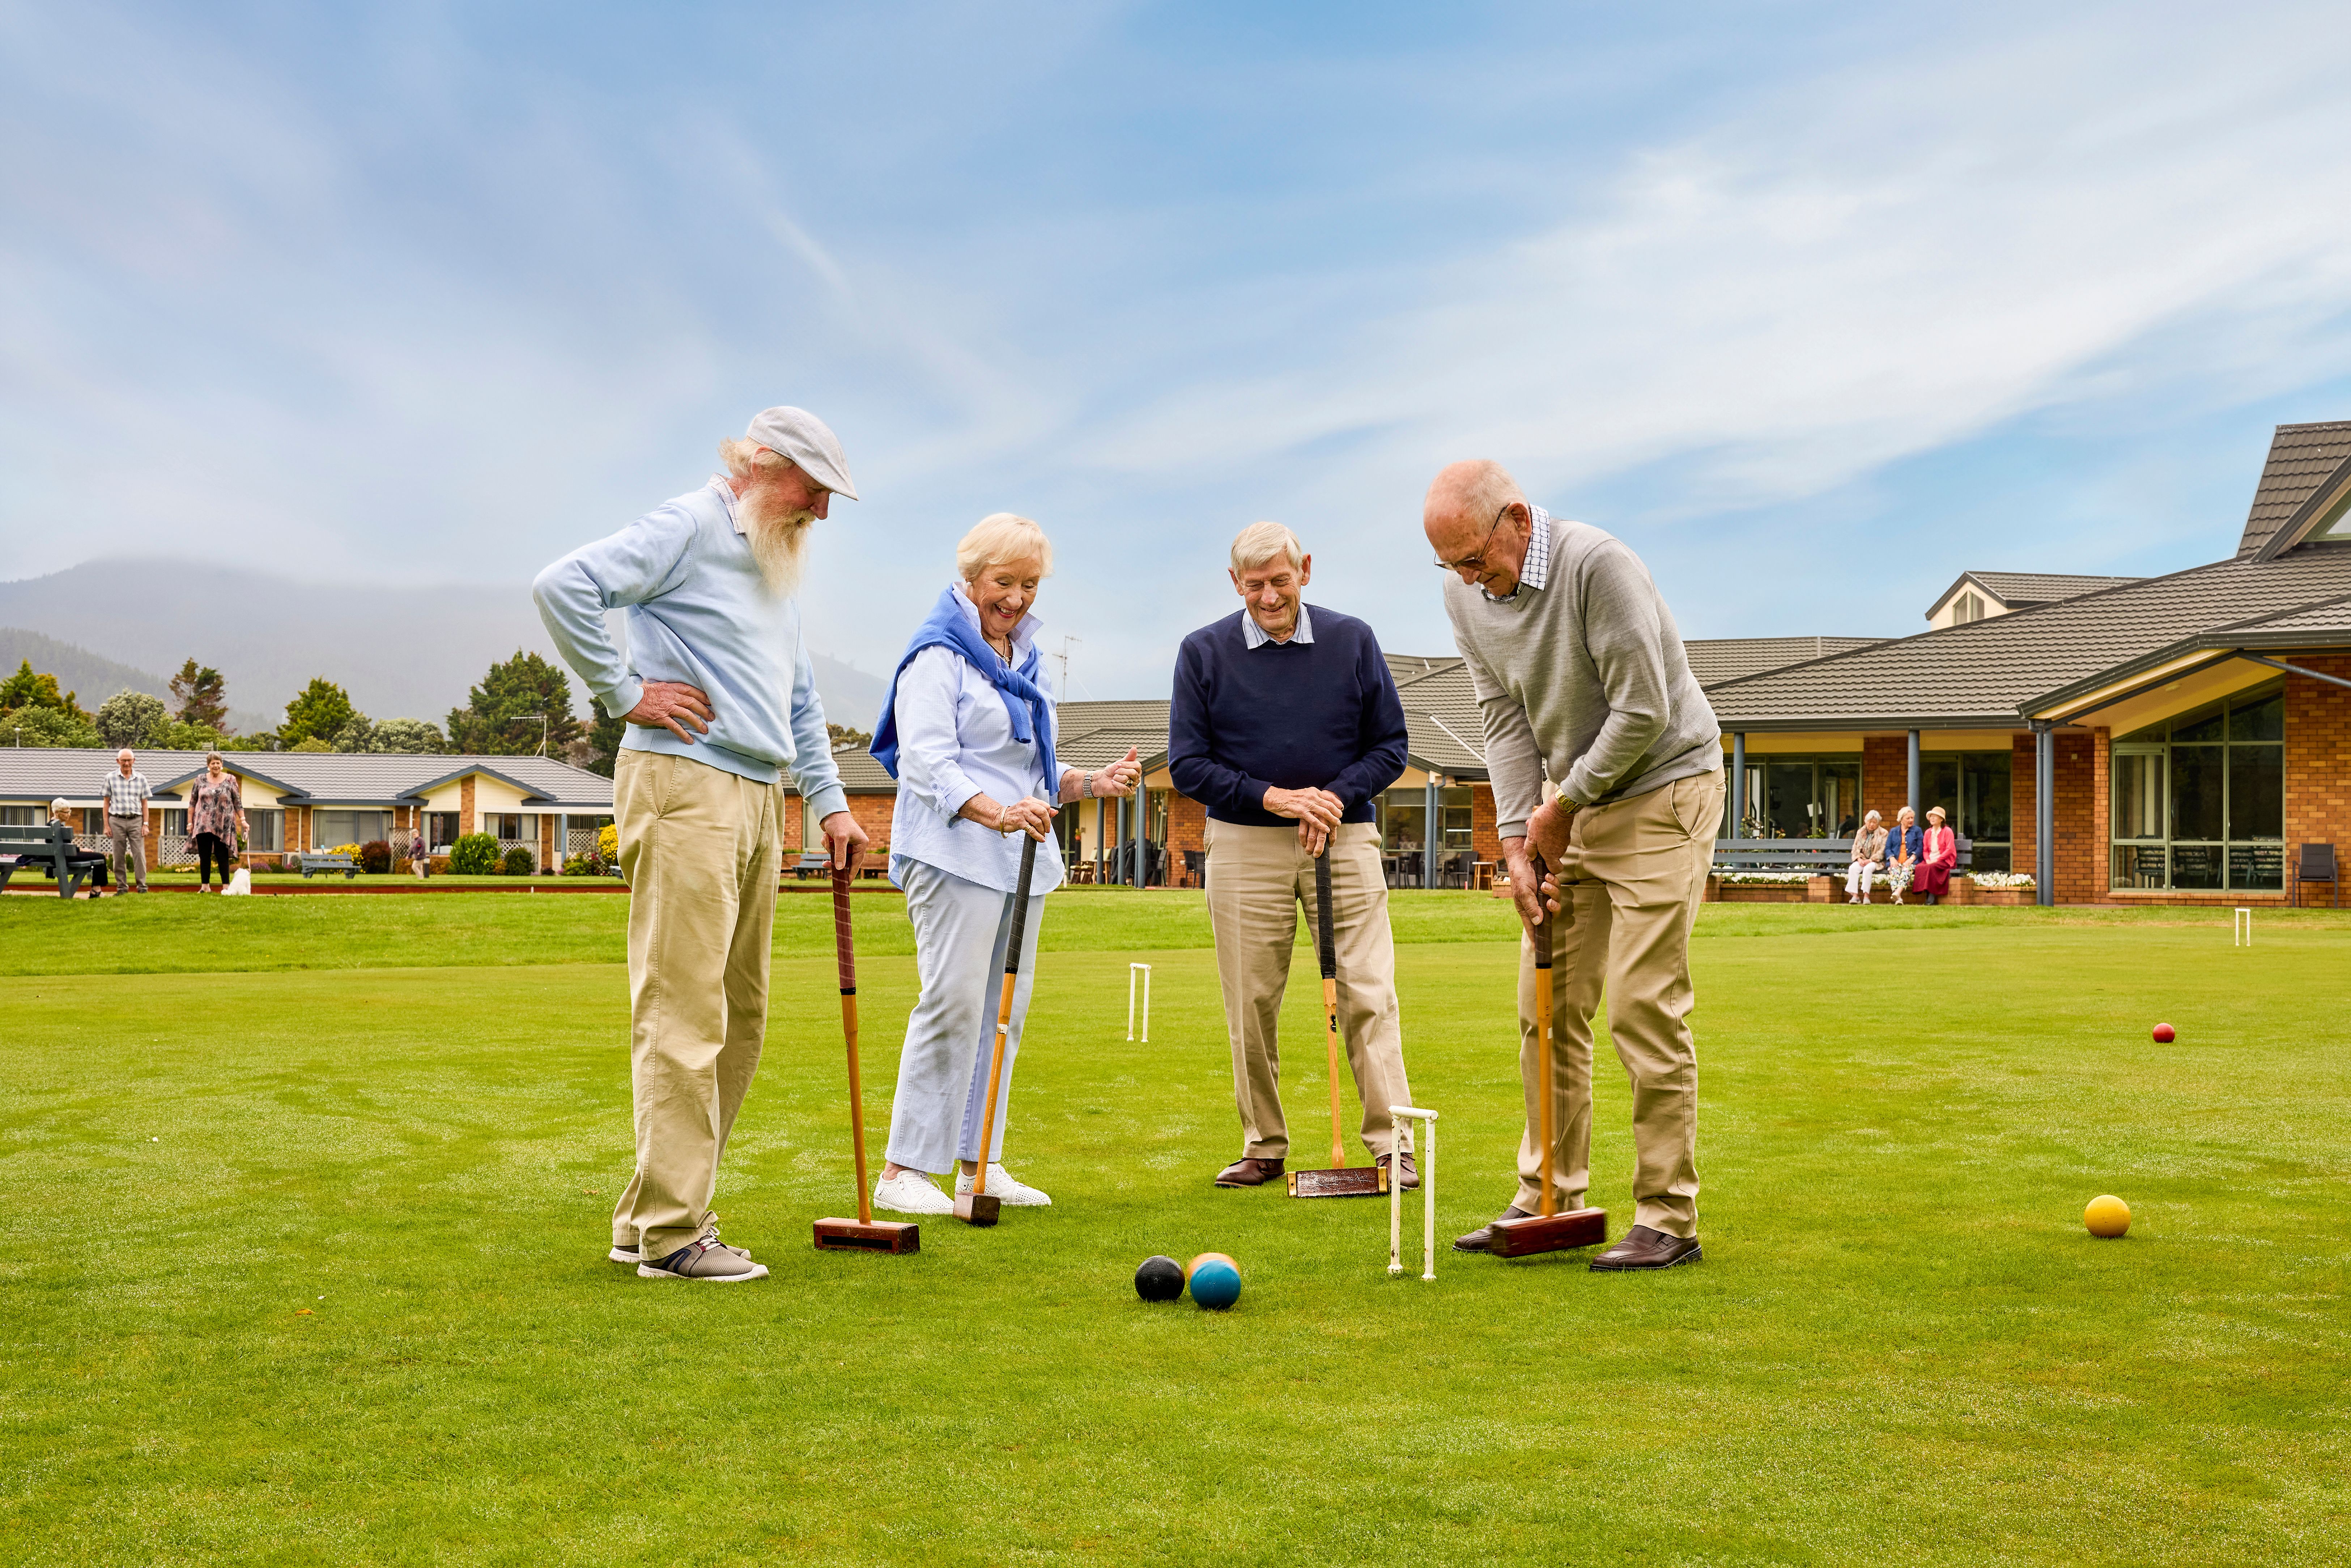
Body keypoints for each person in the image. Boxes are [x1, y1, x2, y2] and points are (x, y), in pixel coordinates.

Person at [534, 405, 869, 1283]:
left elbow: (799, 695)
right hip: (684, 782)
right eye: (813, 489)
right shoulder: (688, 524)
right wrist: (624, 692)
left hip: (758, 794)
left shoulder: (772, 556)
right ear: (762, 462)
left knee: (740, 1015)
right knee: (683, 1010)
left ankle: (649, 1214)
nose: (820, 511)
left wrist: (829, 802)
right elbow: (562, 585)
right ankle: (673, 1234)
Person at [1425, 459, 1725, 1272]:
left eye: (1474, 560)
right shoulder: (1463, 590)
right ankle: (1548, 1194)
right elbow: (1502, 716)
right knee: (1546, 1004)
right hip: (1572, 802)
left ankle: (1668, 1215)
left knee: (1642, 1003)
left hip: (1665, 788)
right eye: (1449, 565)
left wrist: (1563, 806)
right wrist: (1516, 839)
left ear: (1518, 519)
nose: (1467, 579)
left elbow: (1644, 707)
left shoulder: (1599, 565)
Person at [867, 514, 1141, 1215]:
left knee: (1003, 1014)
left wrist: (1091, 782)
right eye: (1004, 582)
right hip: (952, 853)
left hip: (1018, 858)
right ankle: (903, 1169)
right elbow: (926, 762)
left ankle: (980, 1165)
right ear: (970, 576)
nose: (1017, 598)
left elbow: (1027, 768)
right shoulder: (938, 656)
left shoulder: (1023, 659)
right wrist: (996, 813)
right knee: (953, 1004)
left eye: (1030, 585)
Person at [1168, 521, 1418, 1189]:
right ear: (1235, 583)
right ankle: (1263, 1143)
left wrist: (1332, 798)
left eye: (1281, 581)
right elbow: (1188, 764)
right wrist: (1275, 798)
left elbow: (1390, 746)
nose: (1270, 597)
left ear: (1305, 569)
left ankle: (1392, 1145)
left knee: (1369, 992)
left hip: (1343, 836)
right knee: (1251, 1001)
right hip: (1244, 843)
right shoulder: (1202, 652)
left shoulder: (1352, 639)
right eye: (1255, 586)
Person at [185, 752, 246, 893]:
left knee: (222, 854)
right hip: (203, 824)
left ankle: (226, 887)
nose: (216, 766)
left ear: (222, 764)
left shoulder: (231, 780)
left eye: (218, 763)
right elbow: (193, 802)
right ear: (208, 765)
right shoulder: (200, 779)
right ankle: (205, 887)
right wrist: (190, 823)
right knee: (204, 855)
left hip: (223, 824)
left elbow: (237, 802)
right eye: (213, 763)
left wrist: (243, 820)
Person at [100, 748, 152, 895]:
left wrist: (146, 824)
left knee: (139, 855)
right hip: (117, 821)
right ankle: (122, 888)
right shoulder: (110, 778)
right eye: (124, 760)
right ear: (118, 761)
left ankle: (142, 888)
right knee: (118, 856)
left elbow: (145, 804)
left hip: (136, 820)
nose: (127, 763)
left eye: (129, 760)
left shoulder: (141, 779)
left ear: (134, 761)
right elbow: (106, 803)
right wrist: (106, 826)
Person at [1916, 805, 1958, 904]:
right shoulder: (1928, 832)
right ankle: (1926, 896)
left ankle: (1930, 900)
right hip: (1931, 860)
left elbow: (1950, 849)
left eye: (1935, 816)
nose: (1932, 818)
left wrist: (1937, 860)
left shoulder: (1948, 831)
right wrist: (1927, 860)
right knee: (1920, 868)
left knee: (1931, 868)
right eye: (1931, 816)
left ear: (1941, 819)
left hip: (1945, 860)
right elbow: (1925, 850)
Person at [1846, 810, 1887, 904]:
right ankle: (1855, 896)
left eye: (1874, 822)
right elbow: (1855, 848)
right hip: (1862, 860)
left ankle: (1866, 896)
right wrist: (1859, 859)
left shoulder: (1884, 833)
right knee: (1853, 868)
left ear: (1878, 823)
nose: (1872, 825)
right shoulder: (1861, 832)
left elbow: (1882, 851)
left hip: (1876, 862)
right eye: (1870, 822)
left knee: (1868, 869)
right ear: (1866, 821)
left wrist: (1870, 860)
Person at [1884, 805, 1921, 904]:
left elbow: (1920, 848)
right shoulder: (1894, 831)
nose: (1911, 820)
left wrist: (1912, 859)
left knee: (1906, 871)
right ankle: (1898, 899)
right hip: (1896, 861)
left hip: (1910, 862)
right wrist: (1892, 858)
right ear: (1901, 819)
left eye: (1912, 818)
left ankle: (1897, 893)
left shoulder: (1917, 831)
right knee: (1894, 872)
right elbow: (1888, 848)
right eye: (1908, 818)